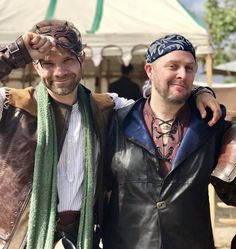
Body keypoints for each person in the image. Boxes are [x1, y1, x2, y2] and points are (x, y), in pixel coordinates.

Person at [0, 22, 222, 249]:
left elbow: (158, 97)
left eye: (67, 60)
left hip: (83, 237)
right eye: (48, 63)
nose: (59, 71)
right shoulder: (11, 105)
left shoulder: (107, 107)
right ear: (36, 67)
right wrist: (14, 54)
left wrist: (197, 91)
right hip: (25, 237)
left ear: (82, 59)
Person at [103, 34, 233, 249]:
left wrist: (202, 90)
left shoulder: (212, 125)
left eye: (190, 68)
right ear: (150, 71)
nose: (182, 74)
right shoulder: (114, 122)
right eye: (173, 66)